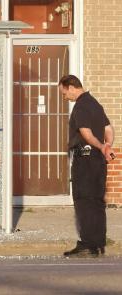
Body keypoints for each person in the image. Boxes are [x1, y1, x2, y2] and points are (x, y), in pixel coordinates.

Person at [59, 75, 116, 258]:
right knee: (97, 201)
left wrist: (100, 146)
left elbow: (86, 132)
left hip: (85, 159)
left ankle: (87, 246)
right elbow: (108, 129)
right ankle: (98, 244)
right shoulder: (95, 103)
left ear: (71, 87)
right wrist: (107, 146)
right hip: (99, 161)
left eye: (64, 92)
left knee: (84, 201)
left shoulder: (81, 106)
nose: (64, 97)